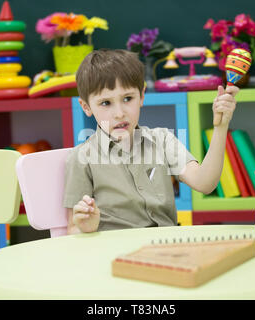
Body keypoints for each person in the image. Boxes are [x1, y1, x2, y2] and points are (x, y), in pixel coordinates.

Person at [63, 49, 239, 234]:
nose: (119, 113)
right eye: (106, 103)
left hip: (165, 248)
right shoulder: (82, 158)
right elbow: (73, 229)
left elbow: (205, 183)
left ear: (142, 96)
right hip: (116, 254)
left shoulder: (162, 140)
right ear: (86, 107)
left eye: (127, 98)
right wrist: (87, 226)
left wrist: (221, 127)